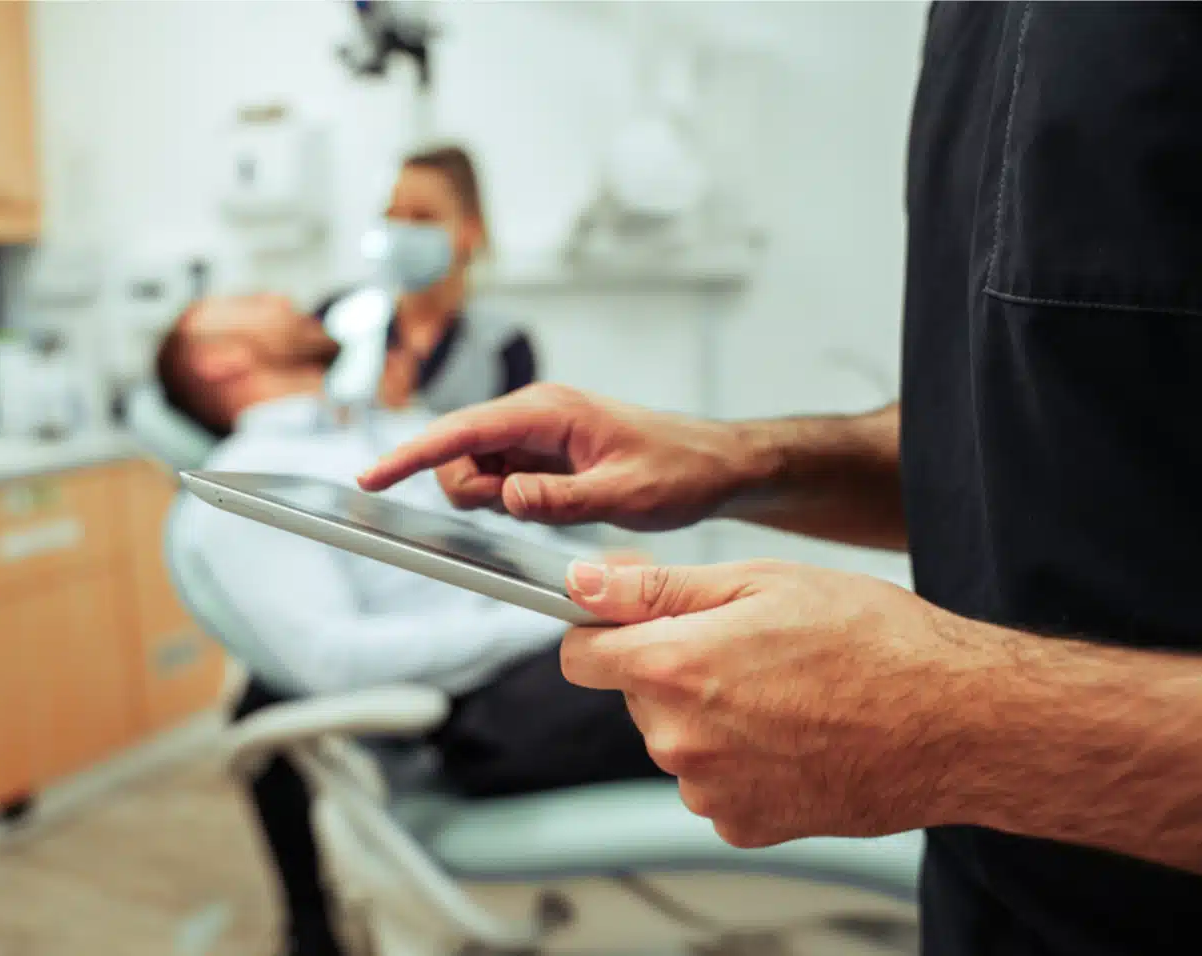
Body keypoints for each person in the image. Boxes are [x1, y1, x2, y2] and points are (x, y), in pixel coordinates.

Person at [356, 4, 1202, 954]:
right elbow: (1017, 436)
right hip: (987, 896)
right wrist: (740, 460)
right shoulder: (975, 28)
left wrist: (959, 724)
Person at [155, 297, 662, 956]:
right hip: (489, 707)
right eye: (248, 300)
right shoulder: (245, 488)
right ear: (215, 358)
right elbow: (332, 661)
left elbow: (491, 540)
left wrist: (596, 575)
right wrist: (558, 613)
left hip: (554, 652)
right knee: (750, 681)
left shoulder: (374, 433)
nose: (281, 297)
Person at [317, 143, 537, 416]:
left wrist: (409, 415)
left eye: (423, 216)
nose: (403, 230)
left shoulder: (503, 347)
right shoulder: (337, 318)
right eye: (392, 215)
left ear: (471, 230)